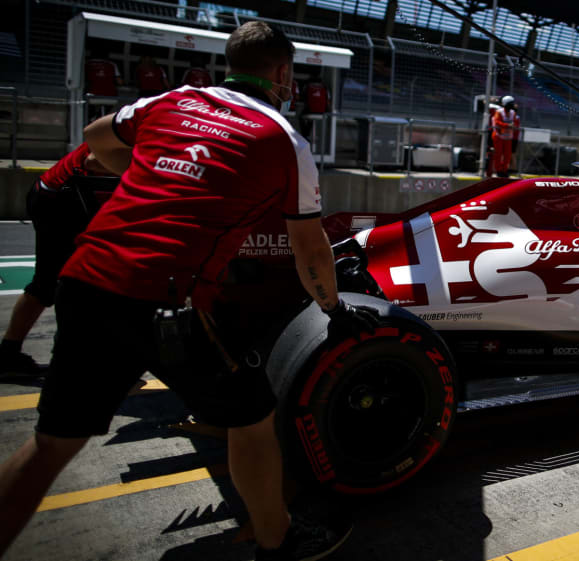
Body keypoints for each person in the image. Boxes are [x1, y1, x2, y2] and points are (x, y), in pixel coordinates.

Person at [0, 21, 377, 560]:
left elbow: (95, 137)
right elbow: (310, 248)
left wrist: (156, 176)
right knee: (251, 418)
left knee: (51, 445)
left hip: (85, 281)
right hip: (167, 301)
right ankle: (278, 540)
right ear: (283, 73)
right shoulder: (283, 139)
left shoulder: (171, 100)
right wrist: (333, 308)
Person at [0, 143, 116, 377]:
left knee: (67, 283)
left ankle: (11, 353)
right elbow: (93, 161)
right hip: (62, 199)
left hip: (80, 197)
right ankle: (14, 355)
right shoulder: (147, 130)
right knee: (52, 284)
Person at [491, 95, 520, 177]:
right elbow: (497, 122)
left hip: (508, 137)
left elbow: (515, 123)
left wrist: (513, 125)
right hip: (498, 136)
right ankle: (498, 170)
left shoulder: (513, 113)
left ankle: (504, 170)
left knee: (507, 155)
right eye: (510, 103)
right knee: (498, 154)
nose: (512, 105)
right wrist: (507, 125)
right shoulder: (499, 112)